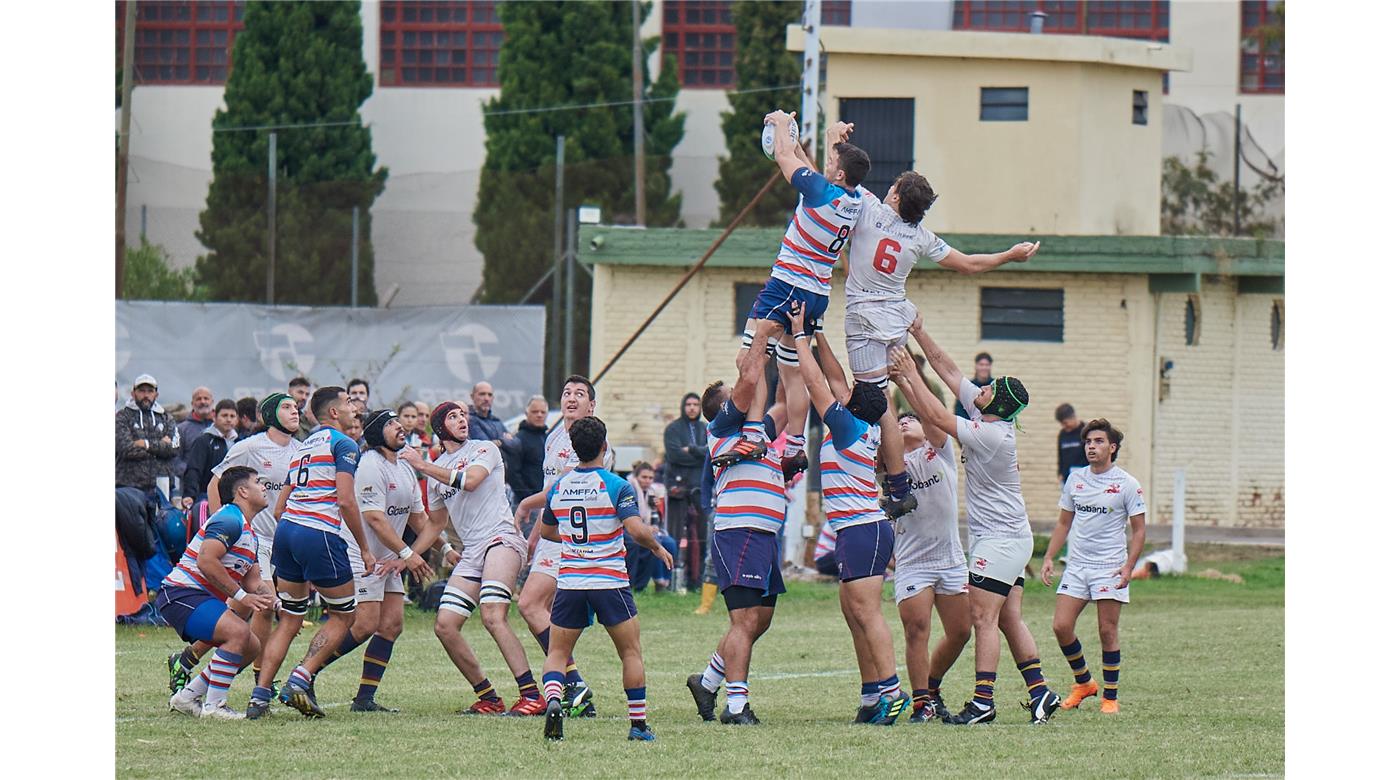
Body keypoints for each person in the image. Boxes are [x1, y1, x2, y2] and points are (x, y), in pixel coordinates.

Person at [841, 169, 1038, 520]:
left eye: (893, 186)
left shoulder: (869, 207)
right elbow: (968, 265)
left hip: (866, 318)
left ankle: (892, 485)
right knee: (883, 403)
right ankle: (893, 484)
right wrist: (1009, 255)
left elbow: (838, 178)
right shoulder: (921, 237)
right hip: (897, 318)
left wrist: (826, 147)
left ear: (896, 196)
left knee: (872, 405)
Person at [904, 317, 1061, 725]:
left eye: (990, 389)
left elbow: (936, 416)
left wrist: (907, 374)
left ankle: (983, 702)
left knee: (982, 618)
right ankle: (1040, 692)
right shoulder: (985, 411)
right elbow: (949, 369)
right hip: (1011, 537)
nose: (982, 389)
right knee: (1007, 618)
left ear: (1000, 405)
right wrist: (918, 332)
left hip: (1000, 540)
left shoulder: (992, 434)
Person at [785, 303, 909, 725]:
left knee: (867, 613)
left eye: (849, 394)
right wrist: (820, 333)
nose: (844, 391)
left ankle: (892, 692)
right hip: (854, 530)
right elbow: (836, 379)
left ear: (852, 405)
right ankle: (872, 696)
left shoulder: (848, 427)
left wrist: (799, 335)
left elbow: (817, 382)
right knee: (853, 613)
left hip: (862, 529)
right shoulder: (860, 424)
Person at [736, 112, 870, 485]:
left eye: (832, 161)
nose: (826, 164)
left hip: (787, 286)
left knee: (748, 357)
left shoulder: (820, 191)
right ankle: (794, 445)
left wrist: (781, 124)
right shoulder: (855, 198)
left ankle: (753, 435)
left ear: (839, 174)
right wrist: (825, 138)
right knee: (792, 370)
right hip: (817, 293)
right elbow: (812, 170)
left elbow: (783, 157)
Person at [539, 416, 672, 743]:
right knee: (630, 652)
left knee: (557, 652)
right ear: (604, 446)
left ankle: (554, 700)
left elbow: (546, 531)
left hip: (571, 582)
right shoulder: (616, 485)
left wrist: (574, 542)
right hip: (609, 581)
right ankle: (638, 726)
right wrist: (656, 547)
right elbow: (635, 529)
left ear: (574, 448)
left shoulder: (559, 487)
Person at [246, 386, 375, 720]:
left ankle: (259, 697)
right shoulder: (344, 444)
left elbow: (279, 507)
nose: (354, 407)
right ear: (333, 412)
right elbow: (345, 500)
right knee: (345, 616)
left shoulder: (302, 447)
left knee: (290, 619)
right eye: (348, 402)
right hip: (318, 533)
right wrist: (364, 548)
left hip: (287, 531)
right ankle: (300, 678)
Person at [409, 401, 544, 716]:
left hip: (501, 538)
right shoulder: (437, 471)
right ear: (439, 428)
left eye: (462, 415)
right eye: (452, 416)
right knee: (445, 625)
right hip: (472, 551)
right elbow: (436, 524)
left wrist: (423, 465)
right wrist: (407, 556)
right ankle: (489, 698)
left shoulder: (484, 449)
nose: (462, 420)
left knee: (492, 614)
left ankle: (531, 695)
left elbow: (470, 480)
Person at [166, 394, 302, 696]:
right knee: (262, 608)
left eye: (296, 407)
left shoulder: (300, 450)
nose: (295, 411)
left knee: (239, 609)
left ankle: (186, 660)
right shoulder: (251, 446)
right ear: (270, 414)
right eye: (287, 407)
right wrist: (227, 525)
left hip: (281, 539)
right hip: (255, 539)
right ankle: (261, 682)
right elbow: (216, 482)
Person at [309, 409, 436, 713]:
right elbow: (375, 519)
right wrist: (408, 554)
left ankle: (364, 699)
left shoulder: (404, 467)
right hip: (359, 553)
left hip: (389, 556)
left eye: (398, 422)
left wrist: (445, 550)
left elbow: (420, 520)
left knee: (391, 625)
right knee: (365, 624)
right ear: (377, 434)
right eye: (391, 424)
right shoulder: (368, 465)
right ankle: (305, 673)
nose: (400, 427)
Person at [686, 365, 788, 726]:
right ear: (726, 408)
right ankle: (736, 705)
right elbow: (750, 382)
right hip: (739, 532)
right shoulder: (722, 427)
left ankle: (707, 681)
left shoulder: (757, 431)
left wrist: (791, 356)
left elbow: (785, 404)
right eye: (734, 395)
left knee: (760, 620)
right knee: (744, 620)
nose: (743, 394)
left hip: (764, 535)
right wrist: (760, 344)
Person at [887, 347, 972, 723]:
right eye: (901, 420)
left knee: (961, 631)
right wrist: (885, 385)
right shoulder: (892, 465)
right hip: (913, 560)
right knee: (917, 629)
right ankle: (922, 703)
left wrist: (909, 377)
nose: (906, 421)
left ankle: (932, 687)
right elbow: (884, 423)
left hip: (950, 558)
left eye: (912, 419)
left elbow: (933, 414)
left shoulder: (939, 451)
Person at [512, 376, 605, 717]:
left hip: (573, 539)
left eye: (580, 394)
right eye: (566, 392)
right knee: (546, 612)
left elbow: (562, 488)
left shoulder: (591, 440)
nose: (571, 398)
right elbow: (551, 494)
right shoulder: (553, 437)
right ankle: (573, 688)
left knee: (530, 604)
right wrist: (535, 536)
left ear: (591, 406)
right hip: (554, 536)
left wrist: (525, 504)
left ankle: (574, 684)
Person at [1040, 419, 1147, 715]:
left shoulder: (1127, 484)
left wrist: (1128, 567)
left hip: (1109, 566)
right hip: (1077, 565)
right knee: (1061, 626)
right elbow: (1064, 523)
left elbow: (1139, 531)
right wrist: (1049, 557)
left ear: (1112, 448)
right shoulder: (1075, 479)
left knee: (1107, 630)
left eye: (1098, 441)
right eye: (1088, 442)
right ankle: (1084, 682)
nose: (1091, 446)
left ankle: (1110, 697)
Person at [160, 466, 278, 719]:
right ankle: (215, 706)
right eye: (258, 482)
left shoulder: (249, 532)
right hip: (181, 593)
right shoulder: (229, 519)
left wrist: (276, 602)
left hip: (197, 597)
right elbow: (206, 561)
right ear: (242, 491)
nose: (264, 487)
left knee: (252, 646)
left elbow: (253, 581)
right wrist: (242, 597)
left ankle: (187, 697)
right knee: (238, 632)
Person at [663, 392, 708, 589]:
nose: (692, 408)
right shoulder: (673, 429)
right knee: (674, 535)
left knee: (700, 536)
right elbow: (673, 455)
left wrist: (692, 449)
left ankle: (696, 581)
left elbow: (710, 454)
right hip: (678, 488)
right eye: (688, 404)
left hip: (700, 488)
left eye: (696, 404)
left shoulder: (706, 429)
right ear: (683, 406)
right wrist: (698, 455)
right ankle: (669, 580)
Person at [116, 374, 182, 504]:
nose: (146, 395)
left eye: (150, 391)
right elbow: (126, 449)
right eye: (141, 391)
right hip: (129, 487)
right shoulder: (122, 417)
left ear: (156, 394)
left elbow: (174, 448)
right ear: (133, 393)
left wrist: (145, 444)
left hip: (162, 487)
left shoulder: (166, 418)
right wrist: (161, 446)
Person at [625, 461, 677, 593]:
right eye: (644, 477)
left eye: (650, 478)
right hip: (629, 529)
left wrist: (654, 524)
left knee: (670, 543)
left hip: (648, 528)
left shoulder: (652, 492)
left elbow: (655, 516)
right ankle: (649, 581)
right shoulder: (628, 489)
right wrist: (645, 528)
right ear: (636, 477)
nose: (647, 481)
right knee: (653, 542)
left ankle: (664, 582)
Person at [181, 399, 239, 509]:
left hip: (234, 498)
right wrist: (190, 495)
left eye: (232, 416)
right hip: (206, 497)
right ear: (214, 417)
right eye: (224, 415)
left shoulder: (240, 442)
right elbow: (194, 470)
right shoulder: (204, 440)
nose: (228, 419)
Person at [507, 395, 549, 501]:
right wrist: (527, 498)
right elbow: (513, 474)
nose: (539, 415)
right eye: (535, 412)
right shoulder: (518, 440)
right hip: (526, 502)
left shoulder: (549, 438)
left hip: (546, 499)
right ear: (526, 413)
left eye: (543, 412)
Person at [174, 386, 215, 482]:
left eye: (206, 398)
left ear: (212, 402)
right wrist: (191, 473)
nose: (203, 402)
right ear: (192, 403)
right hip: (191, 485)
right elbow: (175, 459)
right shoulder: (181, 429)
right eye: (198, 399)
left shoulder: (220, 427)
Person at [1055, 403, 1090, 484]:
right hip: (1067, 478)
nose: (1064, 426)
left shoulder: (1086, 431)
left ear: (1073, 417)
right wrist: (1060, 473)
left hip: (1084, 477)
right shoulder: (1062, 434)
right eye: (1062, 424)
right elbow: (1061, 455)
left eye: (1065, 423)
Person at [953, 353, 993, 419]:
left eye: (987, 365)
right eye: (981, 365)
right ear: (976, 366)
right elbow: (959, 410)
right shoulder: (968, 387)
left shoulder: (995, 387)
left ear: (990, 366)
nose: (984, 367)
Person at [289, 377, 315, 441]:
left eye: (307, 394)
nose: (304, 397)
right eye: (300, 392)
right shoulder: (276, 414)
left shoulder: (306, 420)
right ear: (290, 391)